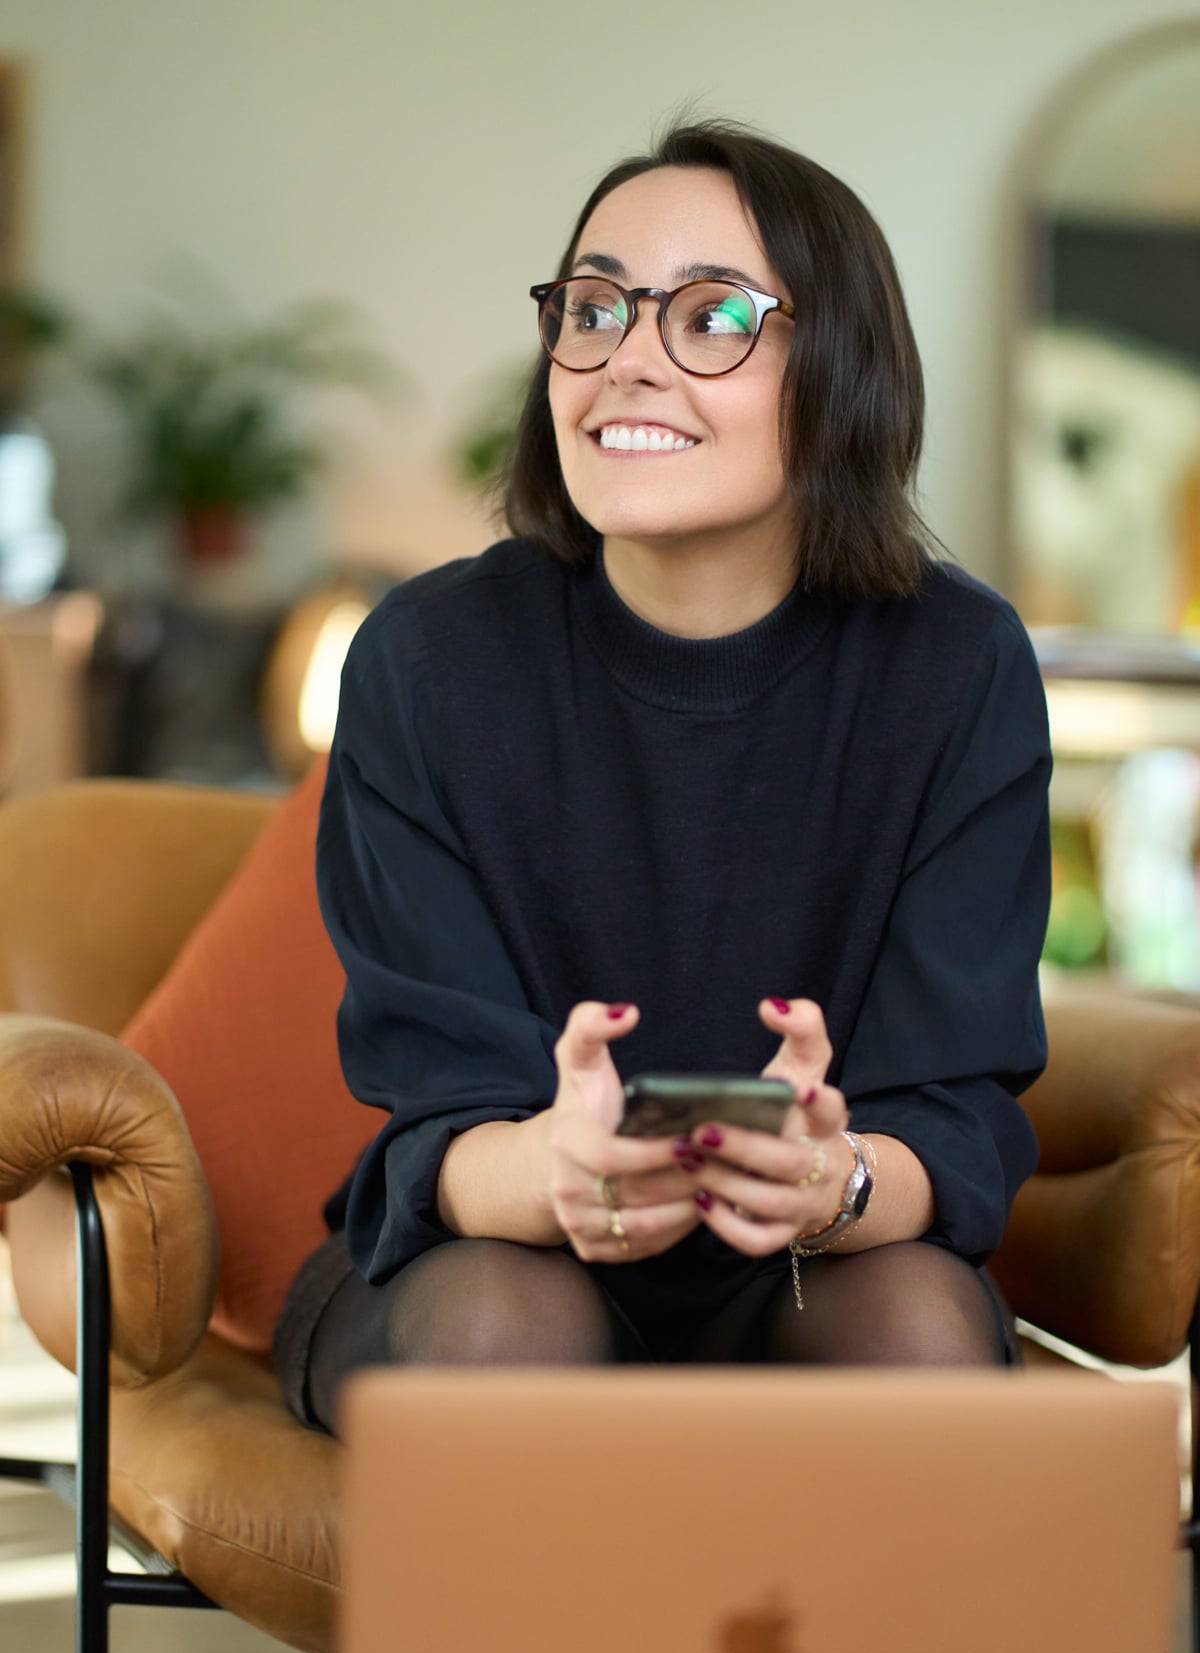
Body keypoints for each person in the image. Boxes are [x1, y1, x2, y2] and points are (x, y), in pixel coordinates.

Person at [273, 118, 1052, 1435]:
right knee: (503, 1330)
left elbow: (951, 1109)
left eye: (712, 316)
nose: (628, 358)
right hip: (492, 1254)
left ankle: (864, 1652)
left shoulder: (956, 665)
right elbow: (442, 1112)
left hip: (812, 1272)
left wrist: (840, 1180)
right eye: (594, 308)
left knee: (917, 1327)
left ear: (838, 366)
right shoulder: (429, 656)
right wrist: (557, 1171)